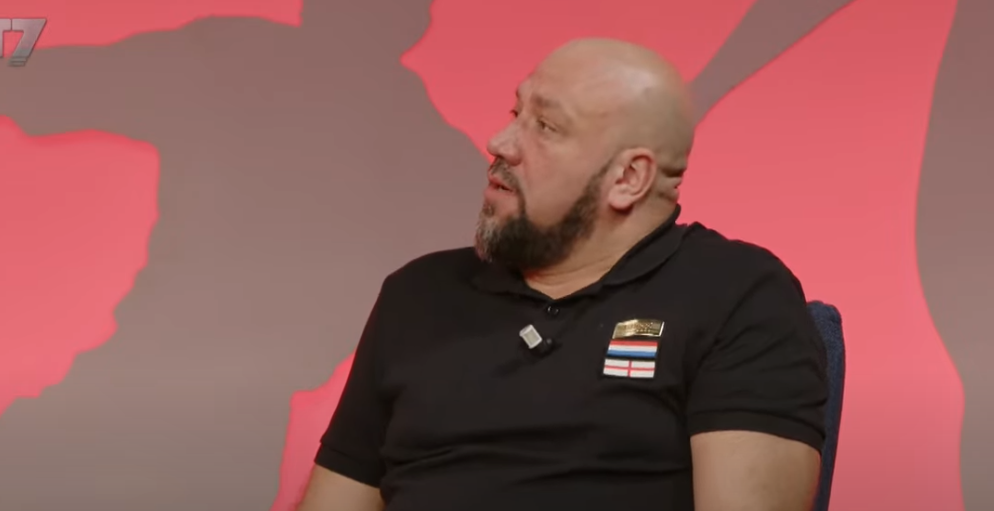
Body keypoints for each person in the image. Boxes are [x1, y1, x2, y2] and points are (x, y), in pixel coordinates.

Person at [298, 38, 828, 511]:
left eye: (545, 127)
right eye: (515, 112)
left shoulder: (737, 293)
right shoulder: (417, 295)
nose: (500, 142)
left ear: (628, 177)